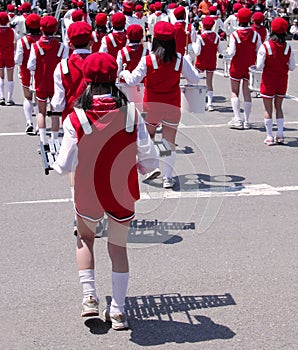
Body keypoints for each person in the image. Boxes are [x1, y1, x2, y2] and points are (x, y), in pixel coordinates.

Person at [52, 52, 159, 329]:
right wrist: (140, 166)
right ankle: (119, 310)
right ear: (115, 79)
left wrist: (55, 161)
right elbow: (149, 159)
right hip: (122, 190)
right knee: (118, 247)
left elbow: (63, 165)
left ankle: (89, 297)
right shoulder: (131, 114)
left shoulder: (76, 117)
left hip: (89, 190)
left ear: (87, 81)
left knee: (85, 239)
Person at [120, 21, 200, 189]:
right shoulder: (179, 59)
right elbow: (195, 79)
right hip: (172, 105)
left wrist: (124, 72)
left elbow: (133, 80)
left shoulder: (147, 60)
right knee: (168, 142)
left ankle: (150, 167)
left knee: (148, 138)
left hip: (152, 106)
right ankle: (168, 177)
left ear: (154, 40)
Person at [27, 16, 67, 145]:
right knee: (55, 112)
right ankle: (55, 140)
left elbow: (30, 65)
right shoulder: (62, 47)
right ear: (55, 30)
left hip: (41, 83)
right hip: (57, 84)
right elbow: (65, 64)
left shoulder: (36, 46)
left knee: (41, 112)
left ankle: (43, 140)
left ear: (41, 29)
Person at [256, 17, 295, 145]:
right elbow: (292, 66)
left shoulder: (266, 46)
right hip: (282, 80)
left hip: (268, 80)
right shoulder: (288, 47)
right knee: (279, 107)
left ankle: (269, 136)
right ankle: (280, 134)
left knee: (267, 109)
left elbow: (259, 66)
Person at [226, 8, 262, 129]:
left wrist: (225, 53)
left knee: (234, 92)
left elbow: (231, 52)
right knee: (247, 93)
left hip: (236, 66)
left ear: (238, 20)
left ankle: (237, 118)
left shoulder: (234, 35)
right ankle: (246, 120)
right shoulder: (255, 35)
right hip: (249, 66)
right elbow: (259, 50)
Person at [51, 21, 93, 122]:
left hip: (71, 121)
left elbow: (58, 105)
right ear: (91, 42)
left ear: (70, 44)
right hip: (95, 120)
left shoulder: (62, 66)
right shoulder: (99, 63)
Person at [15, 13, 41, 134]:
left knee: (28, 98)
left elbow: (18, 60)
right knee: (38, 99)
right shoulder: (42, 40)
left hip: (26, 73)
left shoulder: (23, 41)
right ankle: (38, 125)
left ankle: (29, 122)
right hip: (40, 73)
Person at [193, 16, 223, 112]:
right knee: (209, 82)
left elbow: (197, 52)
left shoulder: (200, 37)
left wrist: (193, 45)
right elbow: (220, 51)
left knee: (195, 80)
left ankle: (196, 101)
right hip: (211, 60)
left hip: (201, 61)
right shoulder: (216, 37)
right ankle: (210, 104)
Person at [0, 11, 16, 106]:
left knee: (1, 77)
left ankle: (1, 97)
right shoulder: (11, 31)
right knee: (10, 78)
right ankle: (9, 98)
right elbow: (16, 40)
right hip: (9, 55)